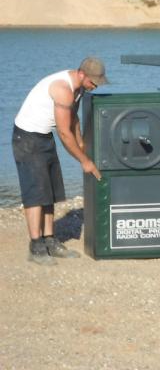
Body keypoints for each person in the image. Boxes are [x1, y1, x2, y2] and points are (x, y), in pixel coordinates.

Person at [13, 57, 107, 265]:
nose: (95, 86)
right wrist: (84, 161)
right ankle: (36, 246)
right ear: (81, 74)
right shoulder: (62, 88)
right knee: (36, 193)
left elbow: (73, 119)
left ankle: (50, 240)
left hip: (44, 136)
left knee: (50, 191)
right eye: (93, 81)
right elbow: (64, 133)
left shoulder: (80, 88)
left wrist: (82, 145)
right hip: (27, 137)